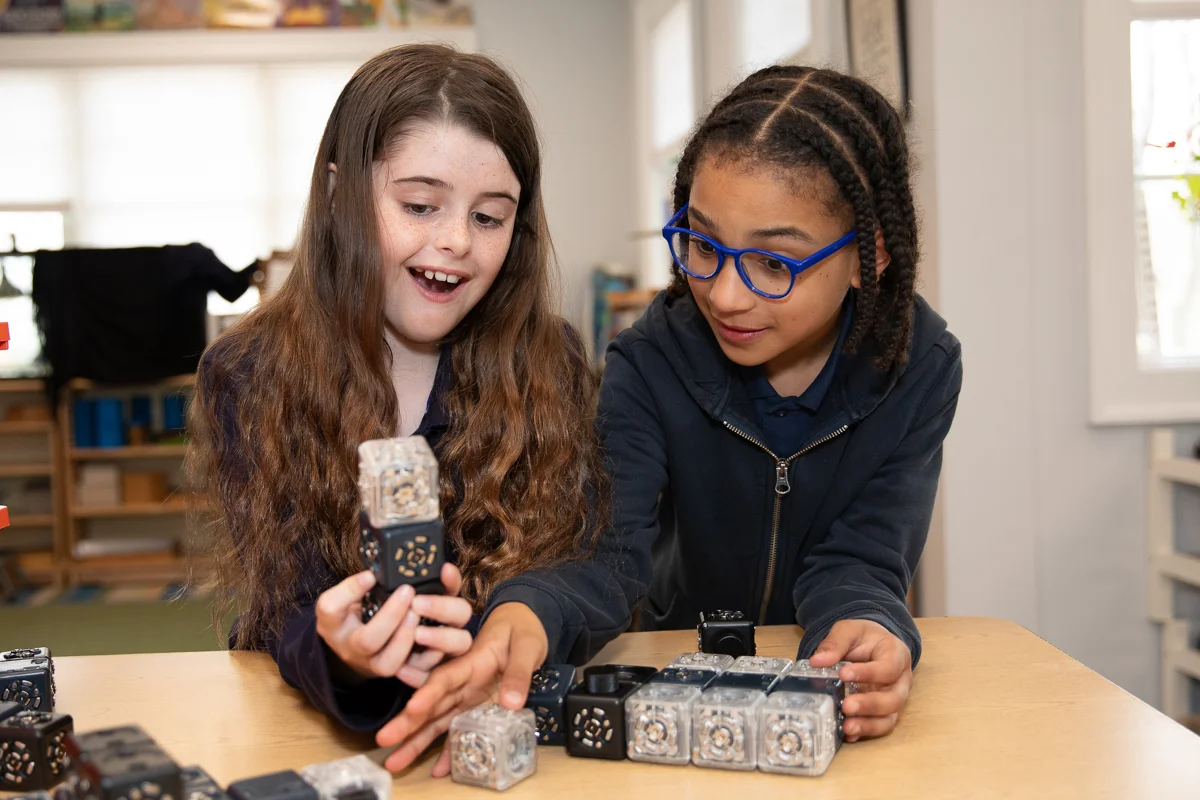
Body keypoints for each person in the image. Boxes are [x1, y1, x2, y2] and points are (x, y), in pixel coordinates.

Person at [381, 63, 962, 769]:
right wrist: (528, 610)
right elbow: (607, 547)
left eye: (775, 265)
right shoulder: (650, 359)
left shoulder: (920, 366)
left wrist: (871, 630)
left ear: (868, 259)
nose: (724, 295)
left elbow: (866, 559)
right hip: (675, 690)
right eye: (703, 245)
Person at [186, 44, 611, 733]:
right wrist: (347, 656)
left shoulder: (548, 359)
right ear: (337, 193)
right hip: (326, 731)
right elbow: (282, 606)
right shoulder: (249, 370)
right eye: (419, 204)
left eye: (488, 217)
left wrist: (515, 622)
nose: (454, 242)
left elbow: (584, 570)